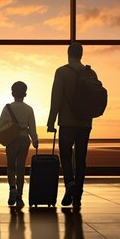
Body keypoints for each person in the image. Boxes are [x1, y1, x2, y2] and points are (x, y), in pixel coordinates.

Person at [47, 42, 96, 208]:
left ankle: (70, 184)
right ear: (81, 54)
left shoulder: (62, 72)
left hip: (67, 123)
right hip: (85, 123)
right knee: (81, 159)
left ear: (68, 53)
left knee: (66, 156)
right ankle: (78, 196)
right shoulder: (91, 73)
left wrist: (51, 121)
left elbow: (56, 98)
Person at [0, 81, 38, 207]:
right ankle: (19, 196)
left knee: (11, 166)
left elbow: (0, 127)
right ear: (25, 93)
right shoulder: (29, 109)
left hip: (11, 140)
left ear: (12, 93)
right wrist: (35, 141)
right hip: (24, 139)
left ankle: (12, 189)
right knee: (21, 167)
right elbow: (32, 128)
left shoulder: (7, 108)